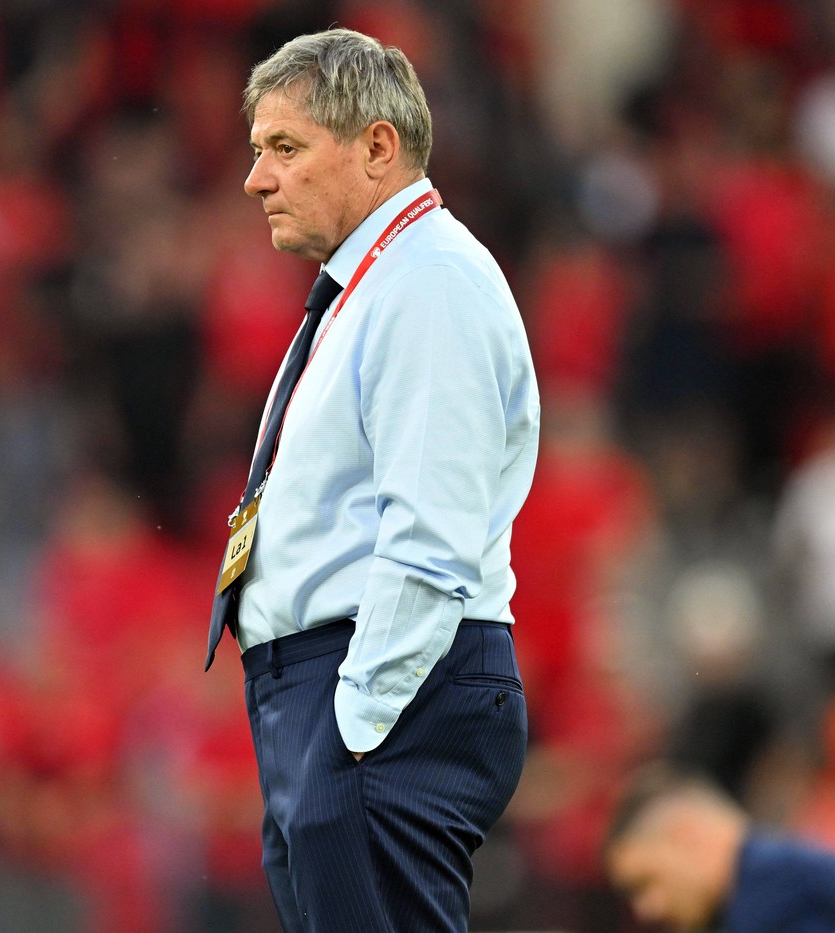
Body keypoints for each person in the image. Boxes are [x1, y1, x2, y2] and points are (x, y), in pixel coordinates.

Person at [202, 28, 540, 933]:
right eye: (258, 150)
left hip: (382, 689)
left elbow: (431, 531)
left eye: (285, 147)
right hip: (336, 696)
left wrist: (357, 724)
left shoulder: (429, 281)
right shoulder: (382, 281)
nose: (257, 179)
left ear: (377, 146)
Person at [604, 765, 835, 933]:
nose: (647, 907)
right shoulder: (775, 872)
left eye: (646, 882)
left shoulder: (763, 897)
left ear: (684, 835)